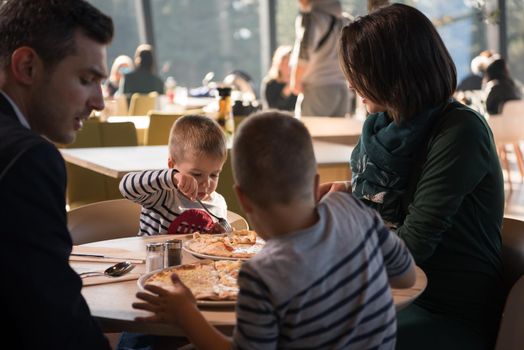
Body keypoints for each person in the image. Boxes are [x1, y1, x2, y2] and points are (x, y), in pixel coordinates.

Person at [132, 111, 416, 350]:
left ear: (242, 199)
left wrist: (187, 316)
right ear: (316, 180)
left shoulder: (262, 275)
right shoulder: (353, 209)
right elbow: (405, 278)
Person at [321, 4, 505, 349]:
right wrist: (348, 193)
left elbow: (414, 245)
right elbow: (396, 200)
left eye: (359, 71)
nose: (349, 83)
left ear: (393, 71)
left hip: (443, 308)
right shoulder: (382, 126)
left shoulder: (461, 130)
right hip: (389, 292)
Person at [0, 0, 114, 349]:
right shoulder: (28, 158)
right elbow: (53, 320)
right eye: (86, 79)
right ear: (28, 66)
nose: (99, 102)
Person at [119, 115, 228, 236]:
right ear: (172, 164)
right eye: (197, 174)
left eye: (214, 175)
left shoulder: (218, 204)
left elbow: (225, 234)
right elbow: (126, 187)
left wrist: (223, 233)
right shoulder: (162, 195)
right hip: (151, 255)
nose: (206, 183)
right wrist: (171, 177)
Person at [290, 0, 352, 117]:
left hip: (318, 89)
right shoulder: (346, 21)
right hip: (342, 89)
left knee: (309, 133)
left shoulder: (312, 19)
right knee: (337, 134)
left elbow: (304, 51)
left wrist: (296, 80)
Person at [260, 45, 298, 111]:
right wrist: (286, 91)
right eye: (287, 64)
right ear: (279, 64)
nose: (290, 68)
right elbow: (272, 108)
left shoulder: (298, 84)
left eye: (293, 64)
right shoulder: (270, 84)